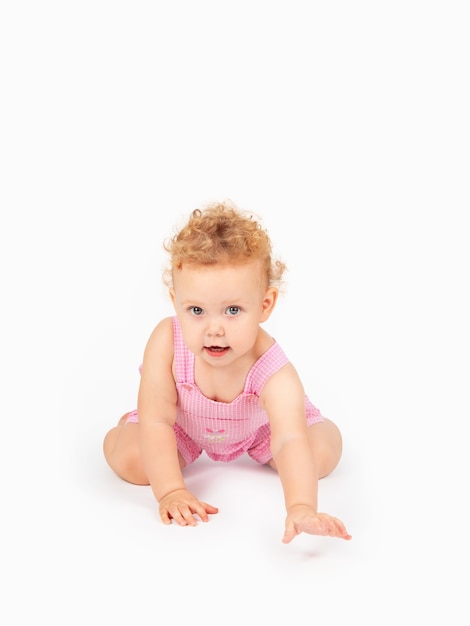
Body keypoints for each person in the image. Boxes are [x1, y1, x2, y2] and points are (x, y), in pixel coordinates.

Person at [103, 200, 351, 544]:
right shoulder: (167, 341)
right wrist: (172, 491)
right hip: (182, 426)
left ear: (265, 305)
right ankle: (126, 425)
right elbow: (159, 420)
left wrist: (300, 506)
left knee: (320, 455)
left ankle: (322, 426)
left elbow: (289, 438)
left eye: (232, 310)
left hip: (261, 429)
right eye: (196, 310)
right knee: (133, 461)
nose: (214, 328)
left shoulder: (272, 369)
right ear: (176, 302)